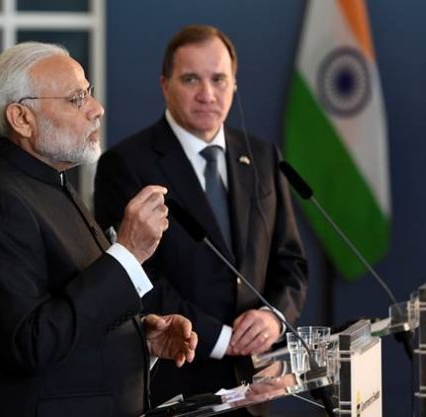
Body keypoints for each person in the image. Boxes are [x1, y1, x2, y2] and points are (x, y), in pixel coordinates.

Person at [0, 42, 197, 417]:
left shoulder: (52, 182)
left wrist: (135, 338)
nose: (97, 110)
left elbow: (69, 311)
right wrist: (128, 254)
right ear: (21, 118)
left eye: (89, 93)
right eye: (77, 98)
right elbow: (30, 343)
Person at [94, 24, 308, 410]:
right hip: (177, 381)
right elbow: (134, 277)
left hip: (257, 386)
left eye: (219, 79)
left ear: (235, 84)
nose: (207, 94)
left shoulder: (262, 158)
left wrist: (273, 317)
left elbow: (290, 262)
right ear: (165, 84)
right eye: (191, 79)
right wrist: (222, 339)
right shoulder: (126, 165)